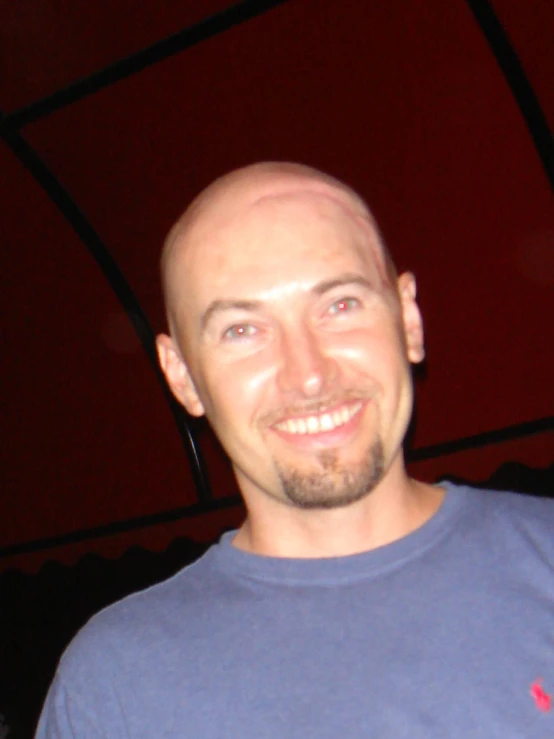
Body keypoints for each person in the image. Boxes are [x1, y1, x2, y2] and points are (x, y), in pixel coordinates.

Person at [36, 162, 554, 738]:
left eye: (340, 306)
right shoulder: (115, 687)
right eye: (242, 331)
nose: (307, 375)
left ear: (408, 318)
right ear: (181, 376)